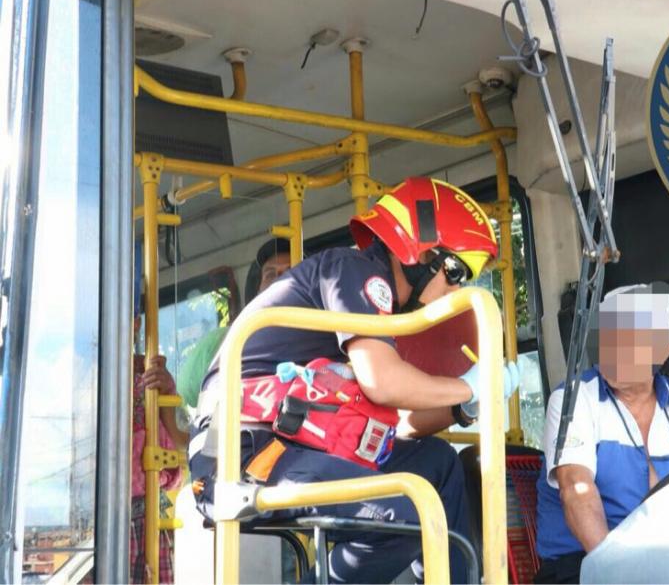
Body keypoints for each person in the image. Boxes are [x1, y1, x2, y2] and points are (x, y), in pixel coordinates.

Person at [188, 177, 520, 583]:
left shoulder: (381, 314)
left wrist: (463, 405)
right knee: (406, 510)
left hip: (299, 441)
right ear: (424, 256)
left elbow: (397, 424)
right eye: (455, 273)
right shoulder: (357, 272)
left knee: (437, 463)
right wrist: (473, 384)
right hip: (245, 450)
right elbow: (382, 382)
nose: (455, 291)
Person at [535, 283, 669, 583]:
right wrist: (616, 572)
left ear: (665, 347)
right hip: (585, 565)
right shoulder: (574, 399)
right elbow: (576, 489)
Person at [176, 238, 293, 408]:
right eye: (270, 275)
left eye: (291, 272)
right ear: (257, 288)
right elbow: (185, 408)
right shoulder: (219, 343)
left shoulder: (327, 336)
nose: (280, 282)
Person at [130, 320, 189, 584]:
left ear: (136, 324)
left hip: (148, 514)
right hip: (103, 517)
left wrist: (167, 394)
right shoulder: (87, 376)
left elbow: (179, 448)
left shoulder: (148, 379)